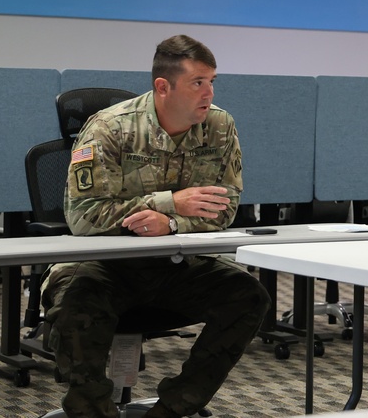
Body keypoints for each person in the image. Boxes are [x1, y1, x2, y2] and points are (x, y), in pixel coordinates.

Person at [42, 35, 271, 418]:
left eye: (212, 81)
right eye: (198, 82)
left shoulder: (219, 126)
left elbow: (225, 208)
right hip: (106, 264)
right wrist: (170, 201)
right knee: (75, 302)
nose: (209, 92)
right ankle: (92, 410)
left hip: (174, 263)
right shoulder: (111, 128)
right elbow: (83, 217)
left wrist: (170, 220)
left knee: (248, 296)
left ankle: (173, 408)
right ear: (163, 87)